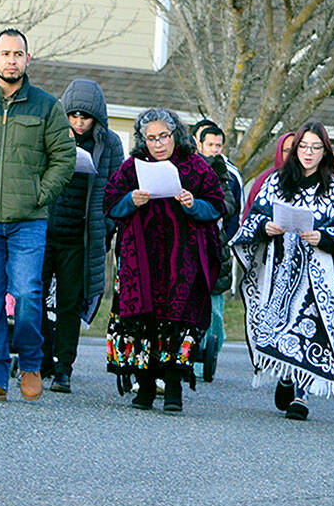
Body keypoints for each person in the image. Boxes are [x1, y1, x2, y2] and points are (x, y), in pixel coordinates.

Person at [0, 29, 74, 402]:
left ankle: (32, 363)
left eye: (18, 54)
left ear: (27, 59)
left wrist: (40, 194)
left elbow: (64, 158)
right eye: (4, 53)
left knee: (27, 295)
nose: (11, 60)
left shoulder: (46, 106)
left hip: (28, 221)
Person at [232, 121, 334, 420]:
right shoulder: (276, 182)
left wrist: (323, 238)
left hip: (316, 271)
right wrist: (266, 227)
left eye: (316, 147)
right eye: (303, 146)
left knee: (310, 325)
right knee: (278, 322)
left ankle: (301, 395)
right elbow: (253, 219)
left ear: (324, 151)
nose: (309, 153)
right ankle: (285, 375)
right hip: (279, 266)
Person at [104, 109, 225, 412]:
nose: (158, 144)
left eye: (163, 137)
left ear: (176, 135)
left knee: (177, 320)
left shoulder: (195, 166)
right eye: (151, 138)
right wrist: (129, 200)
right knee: (141, 320)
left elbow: (217, 205)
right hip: (140, 258)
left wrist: (193, 204)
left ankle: (173, 390)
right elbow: (109, 202)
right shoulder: (132, 167)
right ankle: (144, 388)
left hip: (181, 257)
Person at [40, 79, 123, 394]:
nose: (77, 122)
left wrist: (107, 226)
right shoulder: (52, 135)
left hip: (81, 237)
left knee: (69, 304)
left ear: (96, 117)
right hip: (45, 230)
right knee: (33, 299)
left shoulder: (110, 144)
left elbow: (116, 189)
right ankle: (40, 360)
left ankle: (64, 368)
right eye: (72, 115)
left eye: (84, 117)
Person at [193, 121, 242, 374]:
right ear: (198, 143)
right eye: (209, 144)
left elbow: (235, 213)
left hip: (217, 248)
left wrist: (227, 241)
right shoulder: (186, 168)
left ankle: (208, 355)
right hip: (190, 246)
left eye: (218, 145)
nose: (214, 149)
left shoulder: (229, 175)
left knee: (214, 309)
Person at [243, 132, 295, 218]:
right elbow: (250, 215)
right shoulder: (265, 179)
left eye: (296, 150)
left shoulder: (311, 179)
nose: (292, 155)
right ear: (280, 152)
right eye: (287, 151)